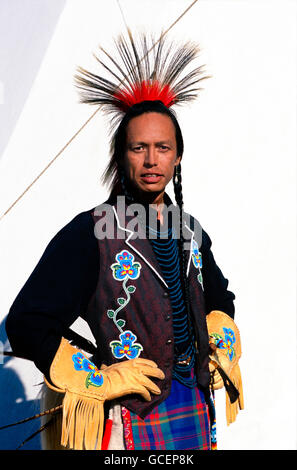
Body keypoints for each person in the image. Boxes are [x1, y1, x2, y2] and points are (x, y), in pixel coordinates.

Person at [5, 31, 241, 451]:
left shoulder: (191, 230)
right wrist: (101, 379)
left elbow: (220, 296)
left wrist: (219, 334)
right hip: (129, 417)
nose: (151, 160)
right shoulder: (90, 232)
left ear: (177, 156)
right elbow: (27, 324)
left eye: (162, 148)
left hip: (194, 406)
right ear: (121, 155)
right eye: (139, 148)